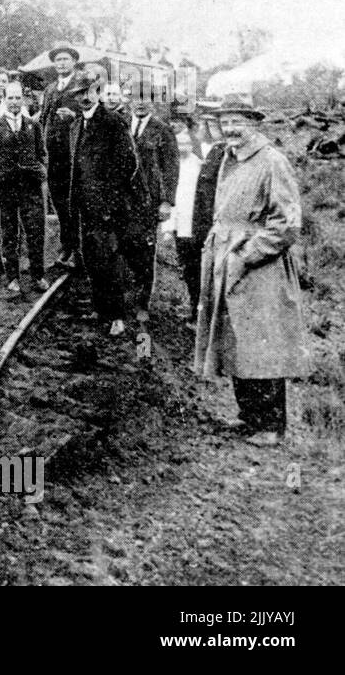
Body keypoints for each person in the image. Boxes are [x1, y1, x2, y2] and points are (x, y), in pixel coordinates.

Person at [194, 100, 309, 447]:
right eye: (225, 122)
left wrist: (247, 255)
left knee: (264, 342)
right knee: (235, 339)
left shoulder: (272, 160)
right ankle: (249, 418)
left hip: (260, 266)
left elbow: (287, 223)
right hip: (227, 257)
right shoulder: (229, 157)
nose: (230, 128)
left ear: (253, 124)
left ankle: (272, 426)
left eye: (237, 122)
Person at [67, 73, 141, 337]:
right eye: (79, 94)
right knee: (90, 258)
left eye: (88, 92)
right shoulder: (76, 126)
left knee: (109, 259)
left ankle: (117, 315)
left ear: (97, 92)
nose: (84, 98)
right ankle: (101, 308)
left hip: (108, 207)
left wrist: (110, 201)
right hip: (84, 206)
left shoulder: (112, 121)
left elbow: (128, 164)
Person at [0, 82, 51, 295]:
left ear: (24, 100)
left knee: (36, 231)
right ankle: (12, 278)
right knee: (8, 232)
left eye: (19, 98)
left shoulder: (33, 126)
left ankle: (38, 275)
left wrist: (40, 171)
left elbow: (42, 153)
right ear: (5, 99)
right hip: (5, 190)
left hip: (31, 188)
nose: (15, 102)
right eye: (11, 98)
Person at [122, 97, 179, 321]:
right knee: (123, 248)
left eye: (145, 100)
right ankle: (125, 299)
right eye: (136, 99)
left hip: (148, 202)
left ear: (153, 104)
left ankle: (142, 303)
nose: (140, 104)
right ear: (129, 103)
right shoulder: (122, 124)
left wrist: (166, 202)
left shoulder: (162, 130)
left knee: (144, 252)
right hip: (123, 201)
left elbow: (171, 168)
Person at [40, 42, 85, 269]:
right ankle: (67, 245)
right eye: (58, 60)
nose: (61, 63)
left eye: (65, 59)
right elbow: (43, 119)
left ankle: (78, 249)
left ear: (74, 62)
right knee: (59, 201)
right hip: (53, 155)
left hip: (75, 154)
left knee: (74, 201)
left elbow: (92, 113)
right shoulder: (50, 89)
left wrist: (75, 116)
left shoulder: (83, 84)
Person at [162, 120, 212, 319]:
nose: (183, 147)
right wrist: (167, 227)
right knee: (188, 269)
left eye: (186, 143)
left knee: (200, 269)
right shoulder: (169, 167)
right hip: (179, 225)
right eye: (179, 144)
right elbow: (167, 199)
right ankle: (194, 308)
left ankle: (202, 311)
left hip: (197, 226)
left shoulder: (199, 166)